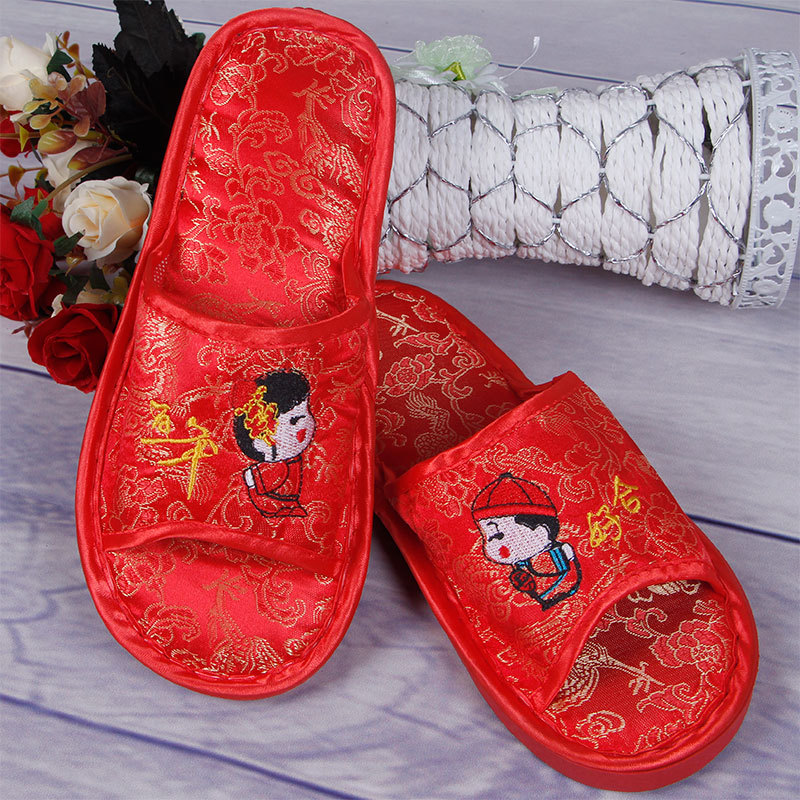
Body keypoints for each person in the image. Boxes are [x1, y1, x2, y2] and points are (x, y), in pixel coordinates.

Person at [471, 472, 581, 610]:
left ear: (542, 528)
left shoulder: (556, 554)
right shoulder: (518, 567)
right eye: (488, 536)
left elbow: (571, 574)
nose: (495, 544)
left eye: (498, 534)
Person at [233, 370, 316, 518]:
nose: (305, 424)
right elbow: (259, 477)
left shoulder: (286, 462)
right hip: (274, 503)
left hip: (286, 503)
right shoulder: (279, 466)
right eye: (294, 421)